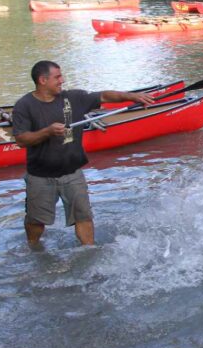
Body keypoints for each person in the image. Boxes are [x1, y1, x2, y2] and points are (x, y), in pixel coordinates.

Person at [12, 60, 155, 247]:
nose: (62, 80)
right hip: (40, 176)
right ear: (42, 80)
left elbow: (104, 96)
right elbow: (21, 140)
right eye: (57, 77)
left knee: (83, 217)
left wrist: (132, 96)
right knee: (36, 221)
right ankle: (33, 248)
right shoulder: (24, 105)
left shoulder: (73, 98)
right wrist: (47, 132)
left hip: (73, 173)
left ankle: (89, 250)